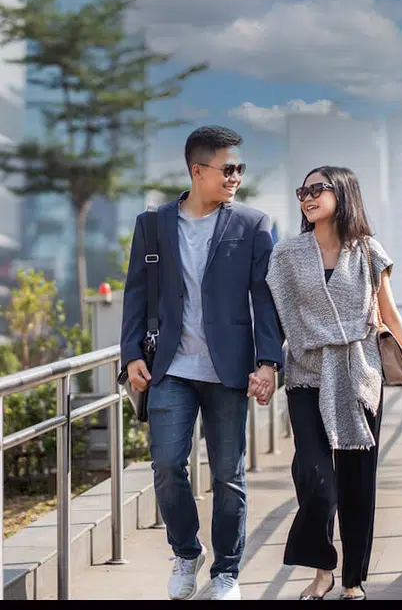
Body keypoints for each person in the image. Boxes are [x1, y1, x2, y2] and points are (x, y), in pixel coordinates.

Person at [120, 125, 284, 600]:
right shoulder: (152, 224)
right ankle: (186, 552)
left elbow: (265, 299)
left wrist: (269, 362)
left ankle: (227, 573)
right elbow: (136, 293)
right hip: (169, 367)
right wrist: (131, 354)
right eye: (227, 169)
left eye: (239, 169)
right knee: (168, 465)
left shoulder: (253, 225)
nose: (235, 177)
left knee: (229, 475)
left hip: (229, 370)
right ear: (198, 170)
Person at [260, 166, 402, 601]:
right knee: (315, 477)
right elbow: (275, 318)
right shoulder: (287, 255)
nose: (308, 197)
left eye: (318, 188)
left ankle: (352, 579)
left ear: (344, 193)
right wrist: (264, 367)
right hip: (306, 373)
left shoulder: (369, 251)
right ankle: (322, 569)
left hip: (359, 374)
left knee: (357, 484)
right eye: (303, 191)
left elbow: (389, 316)